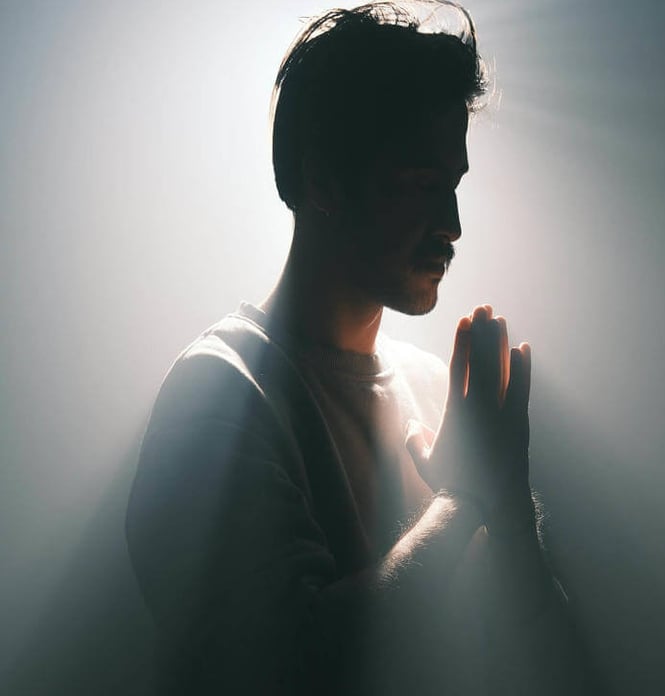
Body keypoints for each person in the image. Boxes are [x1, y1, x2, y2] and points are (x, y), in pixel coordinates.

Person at [126, 2, 594, 694]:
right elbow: (289, 672)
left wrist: (512, 513)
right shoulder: (219, 395)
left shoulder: (436, 391)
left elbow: (557, 674)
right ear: (322, 181)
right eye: (422, 186)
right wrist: (466, 492)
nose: (453, 225)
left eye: (455, 186)